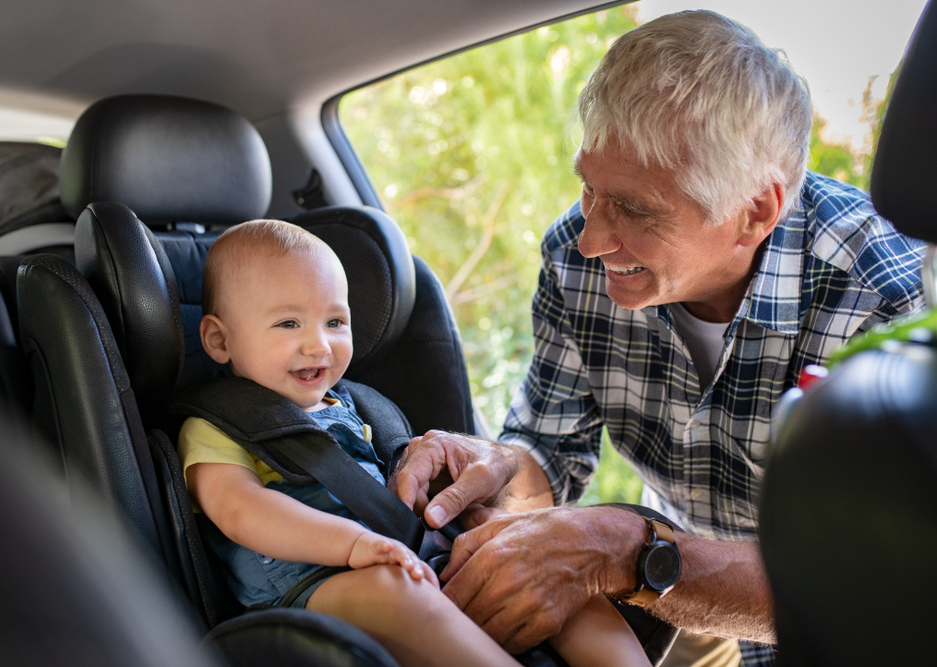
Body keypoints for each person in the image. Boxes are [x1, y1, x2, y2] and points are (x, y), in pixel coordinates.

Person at [390, 10, 926, 667]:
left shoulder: (888, 300)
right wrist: (496, 466)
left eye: (635, 209)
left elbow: (872, 587)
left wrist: (631, 550)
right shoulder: (574, 254)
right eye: (589, 187)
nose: (592, 238)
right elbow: (549, 455)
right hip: (675, 592)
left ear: (755, 210)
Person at [178, 219, 651, 667]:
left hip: (402, 551)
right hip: (309, 581)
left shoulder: (358, 409)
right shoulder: (217, 427)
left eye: (335, 322)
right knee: (397, 593)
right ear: (219, 340)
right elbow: (241, 510)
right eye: (288, 324)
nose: (319, 345)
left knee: (549, 566)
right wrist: (354, 544)